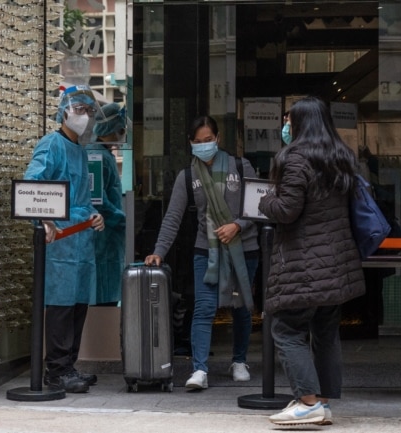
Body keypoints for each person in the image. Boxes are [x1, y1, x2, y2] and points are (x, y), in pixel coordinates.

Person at [258, 96, 365, 426]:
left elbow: (287, 210)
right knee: (325, 333)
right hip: (335, 265)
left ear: (302, 122)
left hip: (304, 265)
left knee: (286, 329)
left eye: (289, 119)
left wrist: (266, 201)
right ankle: (323, 402)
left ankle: (307, 402)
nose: (286, 125)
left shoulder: (296, 159)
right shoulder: (340, 157)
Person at [144, 115, 259, 390]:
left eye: (209, 140)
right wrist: (159, 251)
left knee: (240, 307)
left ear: (218, 139)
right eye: (198, 142)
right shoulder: (188, 176)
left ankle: (239, 361)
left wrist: (237, 226)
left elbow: (259, 205)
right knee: (204, 308)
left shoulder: (240, 167)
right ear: (191, 143)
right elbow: (172, 217)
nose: (204, 146)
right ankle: (199, 369)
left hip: (244, 247)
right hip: (206, 250)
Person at [23, 85, 106, 393]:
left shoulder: (81, 152)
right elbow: (32, 185)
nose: (83, 116)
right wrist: (42, 219)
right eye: (79, 110)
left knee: (77, 306)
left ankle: (69, 366)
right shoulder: (52, 144)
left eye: (88, 111)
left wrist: (94, 215)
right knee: (59, 306)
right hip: (59, 242)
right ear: (64, 111)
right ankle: (56, 371)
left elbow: (81, 199)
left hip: (81, 242)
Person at [85, 103, 127, 306]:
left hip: (108, 239)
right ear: (109, 131)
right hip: (103, 238)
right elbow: (97, 200)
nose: (122, 134)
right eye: (120, 130)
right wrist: (120, 219)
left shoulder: (103, 154)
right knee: (102, 297)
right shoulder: (96, 156)